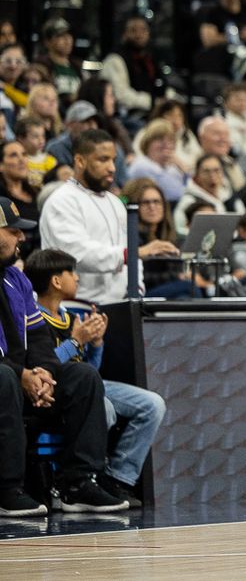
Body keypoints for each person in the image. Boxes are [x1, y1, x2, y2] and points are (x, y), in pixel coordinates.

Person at [0, 198, 128, 515]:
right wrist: (23, 375)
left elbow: (40, 337)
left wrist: (43, 372)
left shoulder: (17, 279)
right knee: (3, 378)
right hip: (7, 380)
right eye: (13, 230)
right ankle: (7, 489)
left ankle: (77, 483)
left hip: (24, 379)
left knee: (83, 377)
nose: (22, 238)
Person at [24, 249, 167, 507]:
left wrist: (97, 343)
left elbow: (90, 369)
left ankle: (119, 479)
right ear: (56, 281)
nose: (77, 279)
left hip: (86, 384)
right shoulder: (34, 318)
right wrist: (76, 341)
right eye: (72, 273)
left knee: (152, 404)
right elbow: (45, 366)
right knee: (105, 408)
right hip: (54, 388)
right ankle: (86, 479)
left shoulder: (72, 317)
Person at [41, 130, 177, 304]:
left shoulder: (116, 202)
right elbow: (77, 255)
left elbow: (131, 252)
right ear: (80, 161)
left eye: (113, 160)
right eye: (103, 159)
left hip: (120, 305)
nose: (112, 168)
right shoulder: (62, 201)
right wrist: (133, 254)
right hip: (75, 306)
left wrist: (137, 288)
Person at [172, 154, 245, 235]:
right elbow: (179, 229)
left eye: (216, 170)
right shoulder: (189, 201)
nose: (212, 176)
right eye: (206, 171)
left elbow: (243, 225)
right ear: (197, 175)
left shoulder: (232, 199)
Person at [126, 118, 189, 204]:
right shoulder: (142, 165)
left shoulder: (173, 168)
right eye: (160, 139)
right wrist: (184, 170)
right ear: (147, 143)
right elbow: (174, 194)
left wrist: (183, 168)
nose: (166, 144)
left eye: (170, 140)